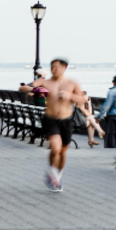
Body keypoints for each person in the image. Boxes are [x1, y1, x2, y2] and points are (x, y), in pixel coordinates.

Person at [20, 58, 86, 192]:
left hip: (66, 120)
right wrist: (36, 90)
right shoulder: (44, 82)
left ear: (64, 67)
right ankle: (52, 172)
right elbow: (23, 87)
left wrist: (70, 95)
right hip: (50, 119)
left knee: (63, 151)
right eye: (51, 67)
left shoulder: (72, 83)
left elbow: (82, 99)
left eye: (56, 67)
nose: (53, 70)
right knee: (56, 149)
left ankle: (57, 175)